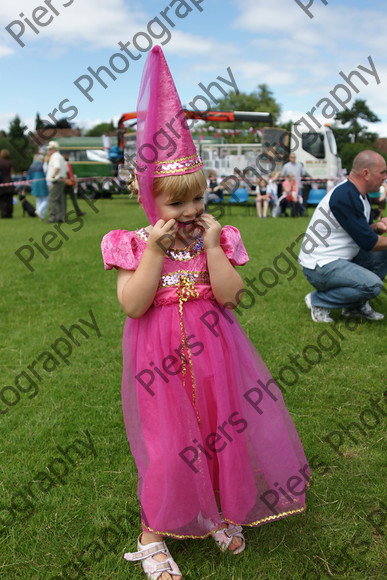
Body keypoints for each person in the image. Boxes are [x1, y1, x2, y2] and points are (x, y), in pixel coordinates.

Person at [101, 46, 310, 580]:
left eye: (196, 198)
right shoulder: (132, 243)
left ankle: (217, 512)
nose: (190, 212)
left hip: (217, 355)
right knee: (170, 445)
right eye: (176, 204)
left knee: (220, 432)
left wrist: (215, 249)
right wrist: (153, 250)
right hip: (159, 360)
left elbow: (231, 296)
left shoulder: (218, 238)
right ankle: (152, 534)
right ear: (152, 203)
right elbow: (132, 303)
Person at [299, 150, 387, 323]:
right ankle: (318, 301)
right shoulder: (344, 197)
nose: (385, 177)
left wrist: (377, 226)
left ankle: (354, 307)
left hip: (336, 260)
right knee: (374, 285)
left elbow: (364, 231)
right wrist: (376, 233)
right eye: (382, 172)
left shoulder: (358, 194)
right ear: (366, 173)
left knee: (383, 254)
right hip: (320, 266)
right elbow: (369, 243)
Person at [45, 140, 67, 223]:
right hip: (61, 179)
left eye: (50, 149)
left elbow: (57, 167)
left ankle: (53, 217)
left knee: (52, 199)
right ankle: (61, 217)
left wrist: (53, 174)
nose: (48, 151)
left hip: (57, 180)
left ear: (54, 149)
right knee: (60, 199)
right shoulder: (60, 156)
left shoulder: (55, 156)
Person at [27, 154, 49, 219]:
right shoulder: (42, 166)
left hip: (34, 184)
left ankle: (41, 216)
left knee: (38, 199)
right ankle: (39, 210)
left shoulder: (31, 167)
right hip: (42, 183)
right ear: (40, 159)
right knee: (46, 199)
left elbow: (28, 177)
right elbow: (46, 174)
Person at [0, 149, 15, 218]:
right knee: (10, 200)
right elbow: (12, 173)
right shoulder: (10, 162)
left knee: (3, 200)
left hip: (2, 182)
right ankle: (10, 214)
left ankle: (4, 214)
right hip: (10, 182)